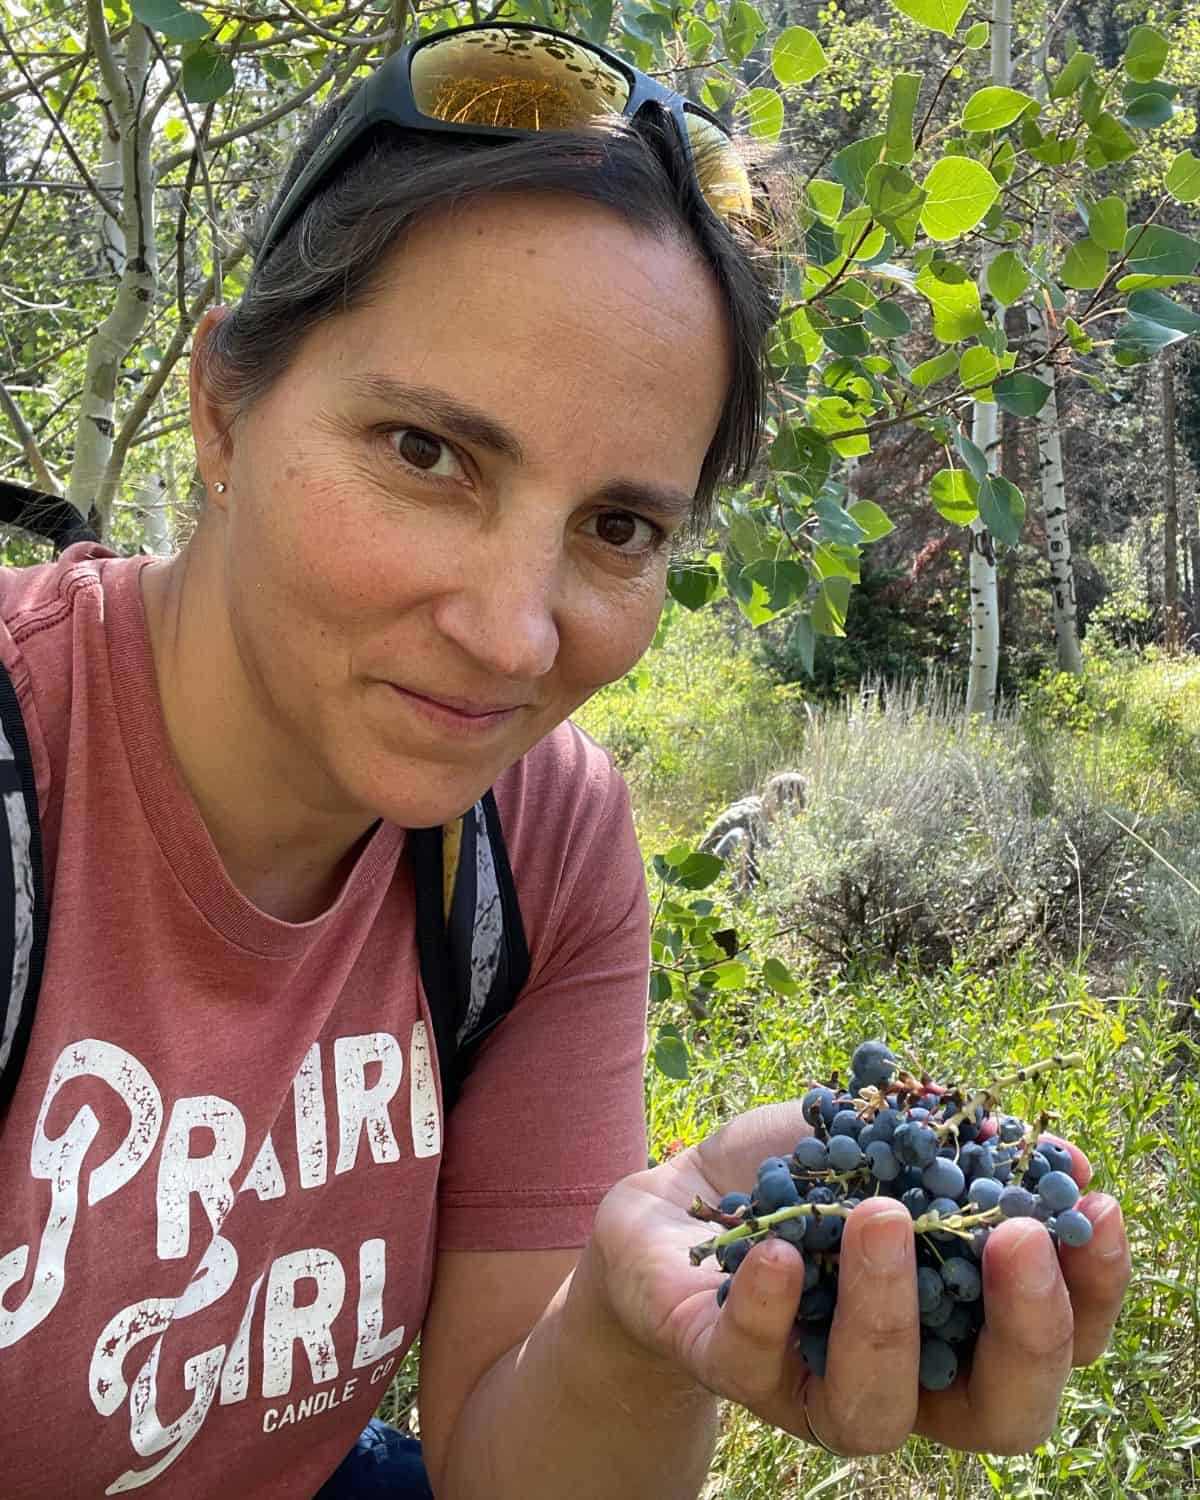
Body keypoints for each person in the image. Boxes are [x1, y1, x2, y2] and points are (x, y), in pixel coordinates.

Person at [0, 21, 1129, 1499]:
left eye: (617, 528)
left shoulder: (538, 837)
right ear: (222, 404)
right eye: (425, 453)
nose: (513, 635)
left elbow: (501, 1458)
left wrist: (626, 1325)